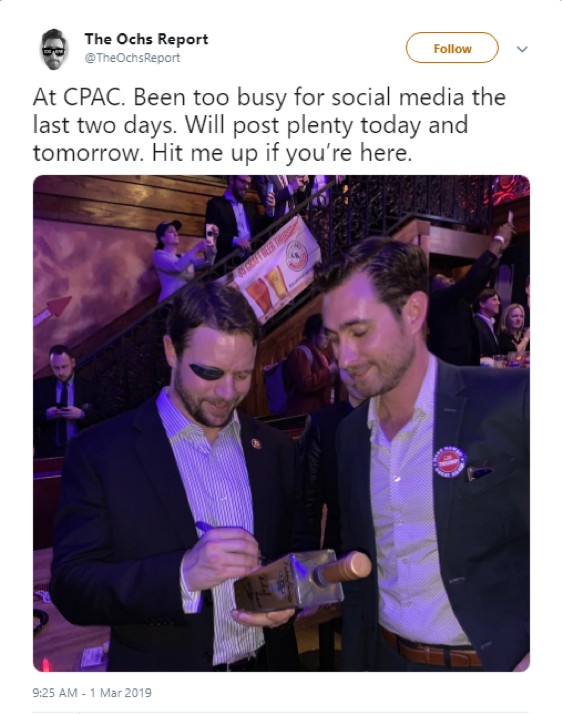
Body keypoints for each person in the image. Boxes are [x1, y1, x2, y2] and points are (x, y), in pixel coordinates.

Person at [50, 281, 313, 672]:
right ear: (172, 351)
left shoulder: (276, 449)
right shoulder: (99, 452)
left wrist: (288, 600)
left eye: (243, 374)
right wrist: (182, 575)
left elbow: (300, 555)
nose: (227, 392)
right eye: (209, 372)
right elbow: (72, 587)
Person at [314, 237, 529, 672]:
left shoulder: (510, 399)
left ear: (413, 312)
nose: (344, 358)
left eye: (359, 331)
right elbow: (360, 567)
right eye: (335, 339)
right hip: (387, 663)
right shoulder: (350, 434)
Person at [428, 222, 514, 366]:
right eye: (443, 279)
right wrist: (497, 240)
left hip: (464, 367)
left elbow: (479, 280)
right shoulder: (437, 300)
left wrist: (499, 253)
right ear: (433, 287)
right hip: (449, 367)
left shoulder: (458, 300)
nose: (450, 279)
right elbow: (471, 278)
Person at [300, 368, 365, 553]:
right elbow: (308, 503)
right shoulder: (323, 422)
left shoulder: (400, 420)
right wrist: (310, 559)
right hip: (341, 547)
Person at [33, 345, 104, 458]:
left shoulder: (90, 387)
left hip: (83, 450)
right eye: (56, 368)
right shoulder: (39, 387)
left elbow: (104, 415)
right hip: (49, 452)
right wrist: (47, 414)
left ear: (73, 362)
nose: (61, 372)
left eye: (64, 366)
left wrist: (81, 414)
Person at [204, 176, 274, 265]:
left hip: (251, 264)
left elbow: (262, 226)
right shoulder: (215, 204)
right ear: (231, 179)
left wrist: (269, 209)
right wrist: (236, 241)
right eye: (243, 182)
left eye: (248, 184)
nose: (247, 187)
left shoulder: (249, 207)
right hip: (228, 265)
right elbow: (210, 235)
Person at [285, 313, 338, 418]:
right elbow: (305, 384)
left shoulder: (322, 354)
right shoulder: (300, 353)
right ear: (313, 334)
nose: (329, 337)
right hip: (303, 416)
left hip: (319, 412)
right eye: (325, 333)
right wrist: (330, 370)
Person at [153, 220, 216, 302]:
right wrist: (196, 248)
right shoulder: (158, 255)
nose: (176, 234)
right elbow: (176, 268)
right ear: (162, 238)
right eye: (171, 232)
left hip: (187, 302)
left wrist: (211, 250)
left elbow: (207, 263)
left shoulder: (183, 256)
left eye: (176, 231)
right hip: (170, 304)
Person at [473, 288, 501, 359]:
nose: (498, 303)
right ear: (482, 304)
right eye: (494, 300)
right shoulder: (476, 324)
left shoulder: (491, 324)